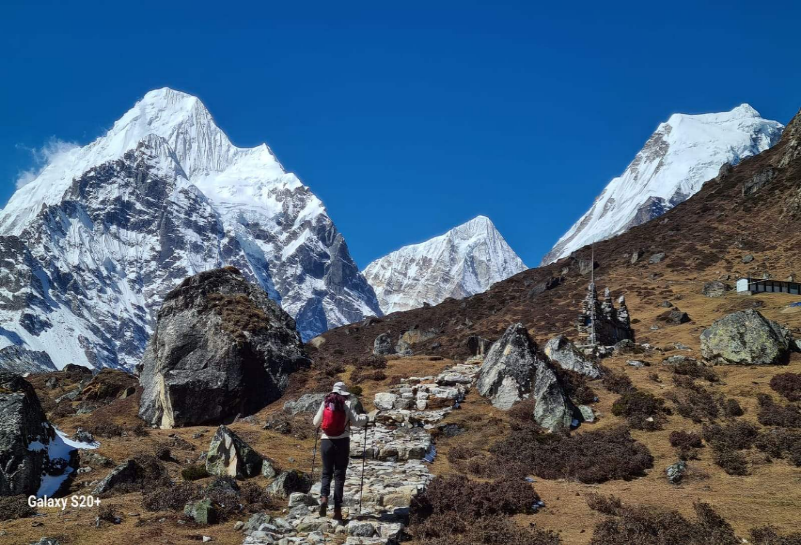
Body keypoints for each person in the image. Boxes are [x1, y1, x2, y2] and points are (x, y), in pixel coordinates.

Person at [312, 381, 373, 521]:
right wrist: (366, 418)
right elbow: (357, 421)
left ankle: (324, 499)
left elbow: (315, 423)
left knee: (326, 472)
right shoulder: (347, 404)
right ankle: (337, 511)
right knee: (339, 476)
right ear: (344, 393)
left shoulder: (325, 403)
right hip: (342, 442)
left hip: (326, 441)